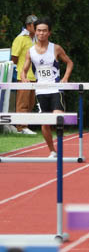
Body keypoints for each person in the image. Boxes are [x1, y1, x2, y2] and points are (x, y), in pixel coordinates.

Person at [20, 18, 73, 157]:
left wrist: (66, 77)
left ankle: (60, 145)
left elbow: (69, 63)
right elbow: (23, 70)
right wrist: (24, 78)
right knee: (44, 123)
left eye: (44, 31)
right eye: (39, 30)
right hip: (40, 91)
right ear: (35, 32)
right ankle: (52, 151)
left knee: (57, 118)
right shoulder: (30, 51)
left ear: (49, 32)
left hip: (56, 89)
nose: (41, 33)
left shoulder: (56, 48)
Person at [11, 14, 37, 135]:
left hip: (34, 76)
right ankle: (21, 127)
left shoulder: (36, 39)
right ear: (28, 26)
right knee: (23, 103)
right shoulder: (20, 38)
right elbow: (14, 58)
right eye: (34, 25)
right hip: (23, 77)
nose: (37, 27)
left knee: (31, 103)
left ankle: (25, 125)